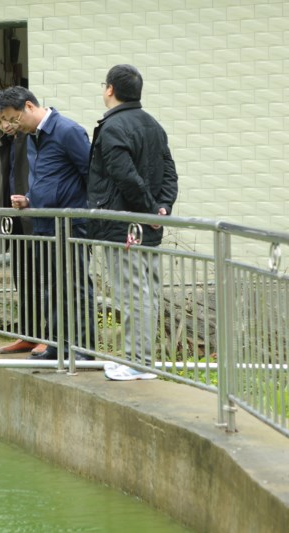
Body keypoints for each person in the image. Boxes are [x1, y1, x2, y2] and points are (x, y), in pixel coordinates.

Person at [87, 64, 179, 381]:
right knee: (146, 293)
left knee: (132, 295)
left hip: (123, 224)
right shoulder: (153, 124)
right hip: (147, 224)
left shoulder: (113, 127)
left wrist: (150, 209)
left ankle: (138, 362)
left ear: (110, 89)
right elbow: (169, 172)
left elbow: (124, 176)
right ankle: (140, 360)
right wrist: (161, 208)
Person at [2, 86, 95, 361]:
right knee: (52, 287)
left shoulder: (68, 131)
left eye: (14, 118)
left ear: (29, 106)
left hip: (70, 224)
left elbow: (92, 175)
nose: (12, 125)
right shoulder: (33, 137)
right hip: (44, 222)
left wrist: (88, 215)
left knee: (76, 287)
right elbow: (48, 178)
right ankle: (57, 345)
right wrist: (29, 199)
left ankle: (83, 349)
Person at [0, 89, 46, 355]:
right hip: (15, 217)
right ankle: (29, 335)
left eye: (8, 119)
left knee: (45, 279)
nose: (5, 125)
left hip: (36, 215)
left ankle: (50, 336)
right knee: (23, 278)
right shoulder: (7, 141)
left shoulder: (32, 136)